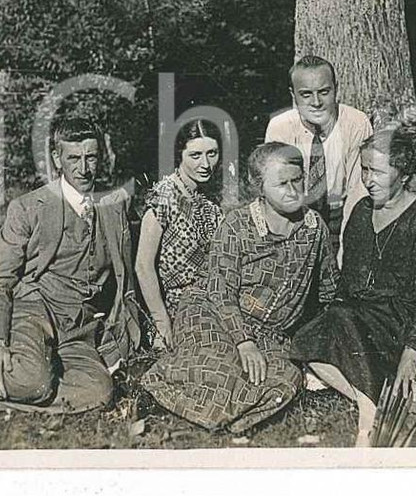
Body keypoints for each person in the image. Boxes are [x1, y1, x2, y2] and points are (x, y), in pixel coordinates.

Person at [140, 142, 339, 433]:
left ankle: (219, 420)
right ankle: (158, 385)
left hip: (270, 334)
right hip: (212, 312)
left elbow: (328, 288)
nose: (293, 190)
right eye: (281, 183)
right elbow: (220, 292)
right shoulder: (237, 225)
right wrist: (243, 342)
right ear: (260, 187)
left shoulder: (314, 227)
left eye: (298, 180)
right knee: (221, 370)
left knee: (285, 380)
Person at [0, 116, 141, 414]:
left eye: (91, 157)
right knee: (33, 381)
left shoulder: (116, 204)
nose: (84, 168)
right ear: (57, 159)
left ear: (101, 156)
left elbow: (132, 265)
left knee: (100, 393)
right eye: (74, 158)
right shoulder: (27, 208)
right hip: (33, 313)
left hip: (79, 329)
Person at [290, 129, 416, 447]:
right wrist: (332, 314)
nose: (367, 179)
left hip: (404, 315)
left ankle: (366, 406)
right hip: (362, 312)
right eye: (363, 169)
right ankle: (370, 403)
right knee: (304, 337)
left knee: (335, 327)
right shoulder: (362, 211)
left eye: (376, 171)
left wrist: (413, 349)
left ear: (403, 174)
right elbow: (349, 277)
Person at [265, 54, 373, 261]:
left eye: (324, 92)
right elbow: (277, 192)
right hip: (296, 216)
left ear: (336, 89)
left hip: (341, 214)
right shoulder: (280, 128)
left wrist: (347, 247)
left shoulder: (356, 123)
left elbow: (358, 190)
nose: (316, 102)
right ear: (293, 95)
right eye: (306, 94)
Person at [135, 119, 224, 349]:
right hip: (177, 308)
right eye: (195, 155)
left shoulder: (211, 197)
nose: (205, 164)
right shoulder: (163, 197)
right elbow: (143, 267)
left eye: (212, 153)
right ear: (179, 154)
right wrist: (162, 324)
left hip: (212, 300)